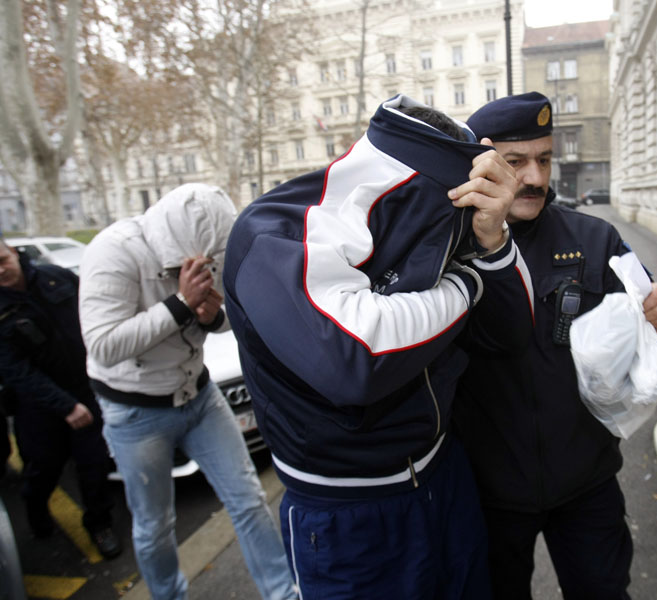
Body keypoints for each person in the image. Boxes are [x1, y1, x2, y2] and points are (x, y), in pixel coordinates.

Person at [223, 95, 535, 599]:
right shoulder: (271, 233)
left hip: (446, 476)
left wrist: (493, 238)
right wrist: (466, 286)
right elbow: (355, 358)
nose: (454, 239)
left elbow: (512, 334)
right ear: (413, 188)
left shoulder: (423, 217)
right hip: (347, 513)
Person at [455, 92, 657, 600]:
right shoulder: (449, 252)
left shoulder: (595, 238)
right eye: (516, 162)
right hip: (488, 493)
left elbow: (656, 334)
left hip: (587, 485)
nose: (536, 178)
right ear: (483, 164)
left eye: (545, 158)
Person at [78, 184, 294, 600]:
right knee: (155, 525)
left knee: (248, 498)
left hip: (198, 394)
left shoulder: (204, 249)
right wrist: (180, 304)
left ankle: (283, 592)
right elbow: (103, 346)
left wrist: (213, 318)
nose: (211, 265)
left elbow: (231, 313)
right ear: (176, 243)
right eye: (208, 259)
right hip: (136, 412)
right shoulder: (113, 252)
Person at [0, 238, 121, 558]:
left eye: (2, 260)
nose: (1, 271)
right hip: (38, 407)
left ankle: (99, 523)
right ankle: (37, 515)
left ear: (12, 252)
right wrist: (64, 406)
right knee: (42, 470)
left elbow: (94, 311)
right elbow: (16, 372)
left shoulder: (55, 276)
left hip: (85, 388)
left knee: (93, 465)